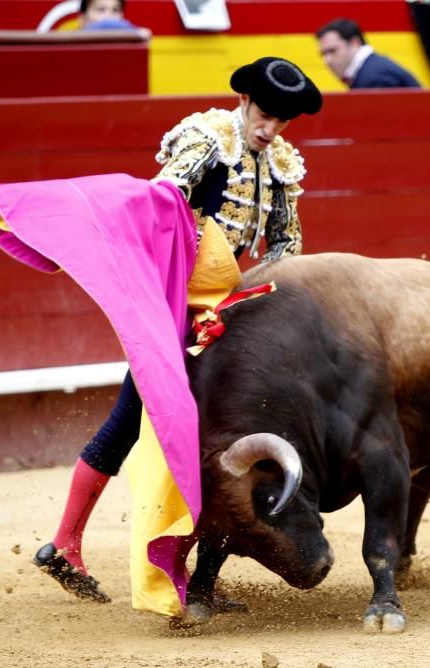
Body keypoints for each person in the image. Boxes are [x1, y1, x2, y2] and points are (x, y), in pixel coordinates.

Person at [17, 57, 323, 605]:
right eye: (265, 115)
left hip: (224, 313)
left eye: (281, 120)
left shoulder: (278, 163)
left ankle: (81, 547)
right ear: (245, 101)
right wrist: (169, 305)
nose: (270, 129)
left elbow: (285, 250)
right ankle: (86, 548)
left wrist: (263, 307)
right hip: (174, 308)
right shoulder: (208, 140)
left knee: (151, 425)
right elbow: (155, 210)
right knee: (153, 425)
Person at [315, 17, 421, 89]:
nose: (327, 60)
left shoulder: (376, 79)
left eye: (332, 51)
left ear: (354, 43)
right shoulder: (373, 69)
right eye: (323, 54)